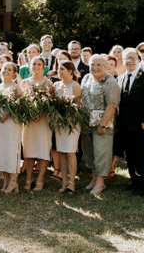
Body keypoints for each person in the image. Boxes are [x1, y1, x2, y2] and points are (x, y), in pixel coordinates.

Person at [116, 48, 144, 196]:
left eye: (133, 58)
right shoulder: (119, 79)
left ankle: (141, 185)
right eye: (127, 58)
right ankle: (133, 180)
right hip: (124, 125)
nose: (130, 61)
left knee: (139, 154)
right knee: (129, 155)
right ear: (123, 61)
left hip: (140, 125)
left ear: (138, 60)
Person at [80, 55, 120, 195]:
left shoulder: (110, 81)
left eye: (98, 65)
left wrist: (102, 125)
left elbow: (112, 105)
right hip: (86, 123)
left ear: (105, 66)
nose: (95, 68)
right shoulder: (86, 78)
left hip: (103, 125)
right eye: (92, 65)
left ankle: (101, 182)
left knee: (101, 152)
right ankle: (94, 178)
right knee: (89, 151)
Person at [21, 56, 54, 191]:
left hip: (43, 121)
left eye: (38, 64)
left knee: (43, 149)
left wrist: (41, 113)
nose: (35, 66)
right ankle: (29, 179)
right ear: (30, 66)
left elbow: (52, 103)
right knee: (29, 150)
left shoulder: (48, 83)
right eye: (33, 64)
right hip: (29, 121)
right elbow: (21, 102)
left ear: (43, 67)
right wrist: (29, 112)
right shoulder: (24, 83)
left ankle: (40, 179)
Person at [0, 63, 23, 193]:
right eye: (4, 68)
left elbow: (22, 105)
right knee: (3, 150)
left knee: (12, 151)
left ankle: (13, 182)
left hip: (12, 123)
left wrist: (9, 112)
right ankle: (5, 181)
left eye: (9, 69)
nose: (6, 71)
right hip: (0, 123)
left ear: (14, 73)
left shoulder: (15, 87)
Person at [54, 61, 82, 193]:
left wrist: (68, 113)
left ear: (70, 71)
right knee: (61, 152)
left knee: (70, 152)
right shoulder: (56, 85)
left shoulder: (75, 86)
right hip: (59, 123)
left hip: (71, 123)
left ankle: (72, 182)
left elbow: (78, 106)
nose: (58, 71)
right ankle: (64, 181)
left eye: (61, 69)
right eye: (58, 68)